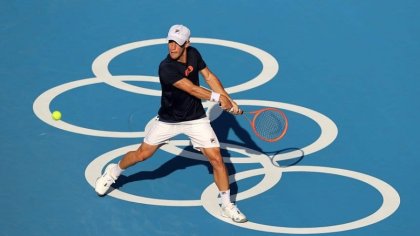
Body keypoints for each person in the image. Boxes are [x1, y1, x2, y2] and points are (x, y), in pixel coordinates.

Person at [95, 24, 247, 223]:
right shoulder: (166, 67)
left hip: (195, 118)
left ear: (187, 44)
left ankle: (226, 204)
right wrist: (220, 98)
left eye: (177, 43)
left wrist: (229, 99)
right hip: (169, 120)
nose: (172, 47)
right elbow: (191, 88)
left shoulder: (194, 54)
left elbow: (209, 77)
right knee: (143, 155)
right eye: (170, 42)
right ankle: (112, 172)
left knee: (217, 159)